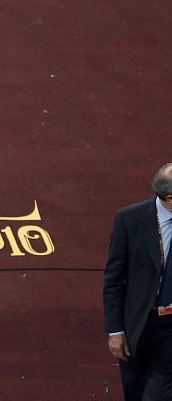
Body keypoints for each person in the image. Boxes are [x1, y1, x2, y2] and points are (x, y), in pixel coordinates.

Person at [104, 163, 172, 400]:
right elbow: (113, 278)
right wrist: (116, 330)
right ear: (169, 198)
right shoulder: (130, 219)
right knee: (135, 392)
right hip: (139, 326)